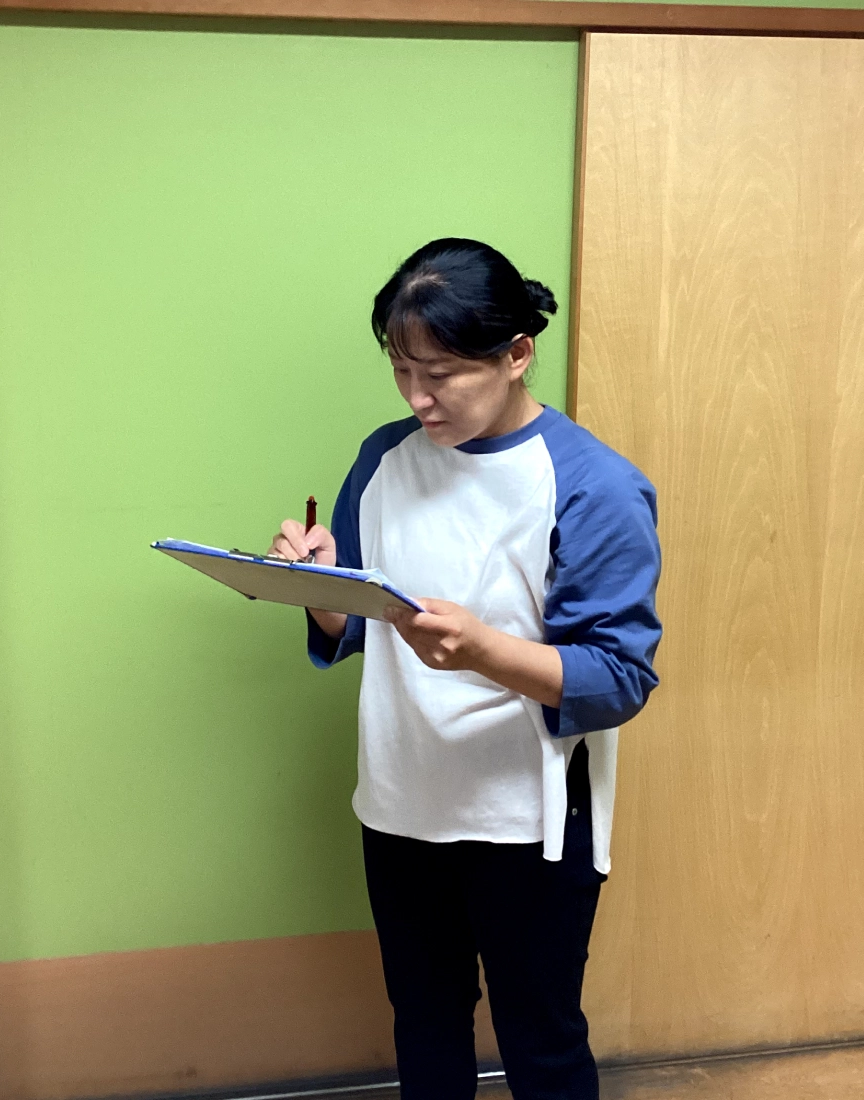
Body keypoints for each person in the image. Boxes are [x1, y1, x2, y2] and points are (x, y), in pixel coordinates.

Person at [270, 238, 662, 1100]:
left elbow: (617, 677)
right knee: (424, 1022)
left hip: (528, 820)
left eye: (442, 374)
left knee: (541, 1041)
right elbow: (360, 621)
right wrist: (317, 588)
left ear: (517, 354)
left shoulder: (593, 486)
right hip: (400, 799)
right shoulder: (384, 459)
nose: (418, 398)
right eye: (402, 370)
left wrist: (483, 649)